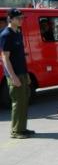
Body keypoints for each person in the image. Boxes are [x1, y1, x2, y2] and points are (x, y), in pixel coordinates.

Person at [0, 8, 35, 139]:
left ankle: (22, 128)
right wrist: (13, 77)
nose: (21, 20)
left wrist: (26, 74)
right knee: (17, 103)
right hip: (14, 74)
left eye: (22, 18)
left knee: (24, 101)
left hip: (22, 72)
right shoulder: (6, 35)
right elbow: (5, 58)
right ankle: (16, 131)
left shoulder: (18, 32)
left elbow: (21, 56)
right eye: (19, 18)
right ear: (10, 19)